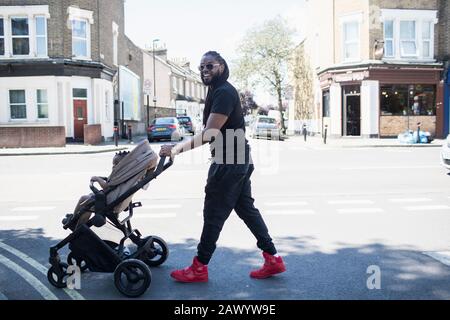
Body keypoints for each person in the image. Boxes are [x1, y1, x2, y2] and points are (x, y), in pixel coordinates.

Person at [159, 51, 286, 283]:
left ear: (222, 66)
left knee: (213, 214)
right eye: (201, 67)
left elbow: (210, 133)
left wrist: (176, 149)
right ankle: (273, 258)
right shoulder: (216, 91)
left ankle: (199, 266)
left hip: (229, 162)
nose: (204, 70)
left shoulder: (224, 92)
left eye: (209, 66)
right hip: (236, 159)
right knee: (246, 209)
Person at [72, 151, 130, 226]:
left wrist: (97, 179)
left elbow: (106, 186)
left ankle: (73, 220)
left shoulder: (119, 176)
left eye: (116, 164)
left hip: (109, 202)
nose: (113, 167)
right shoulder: (126, 175)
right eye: (113, 164)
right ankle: (80, 223)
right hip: (113, 199)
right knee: (89, 200)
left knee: (84, 199)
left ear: (123, 165)